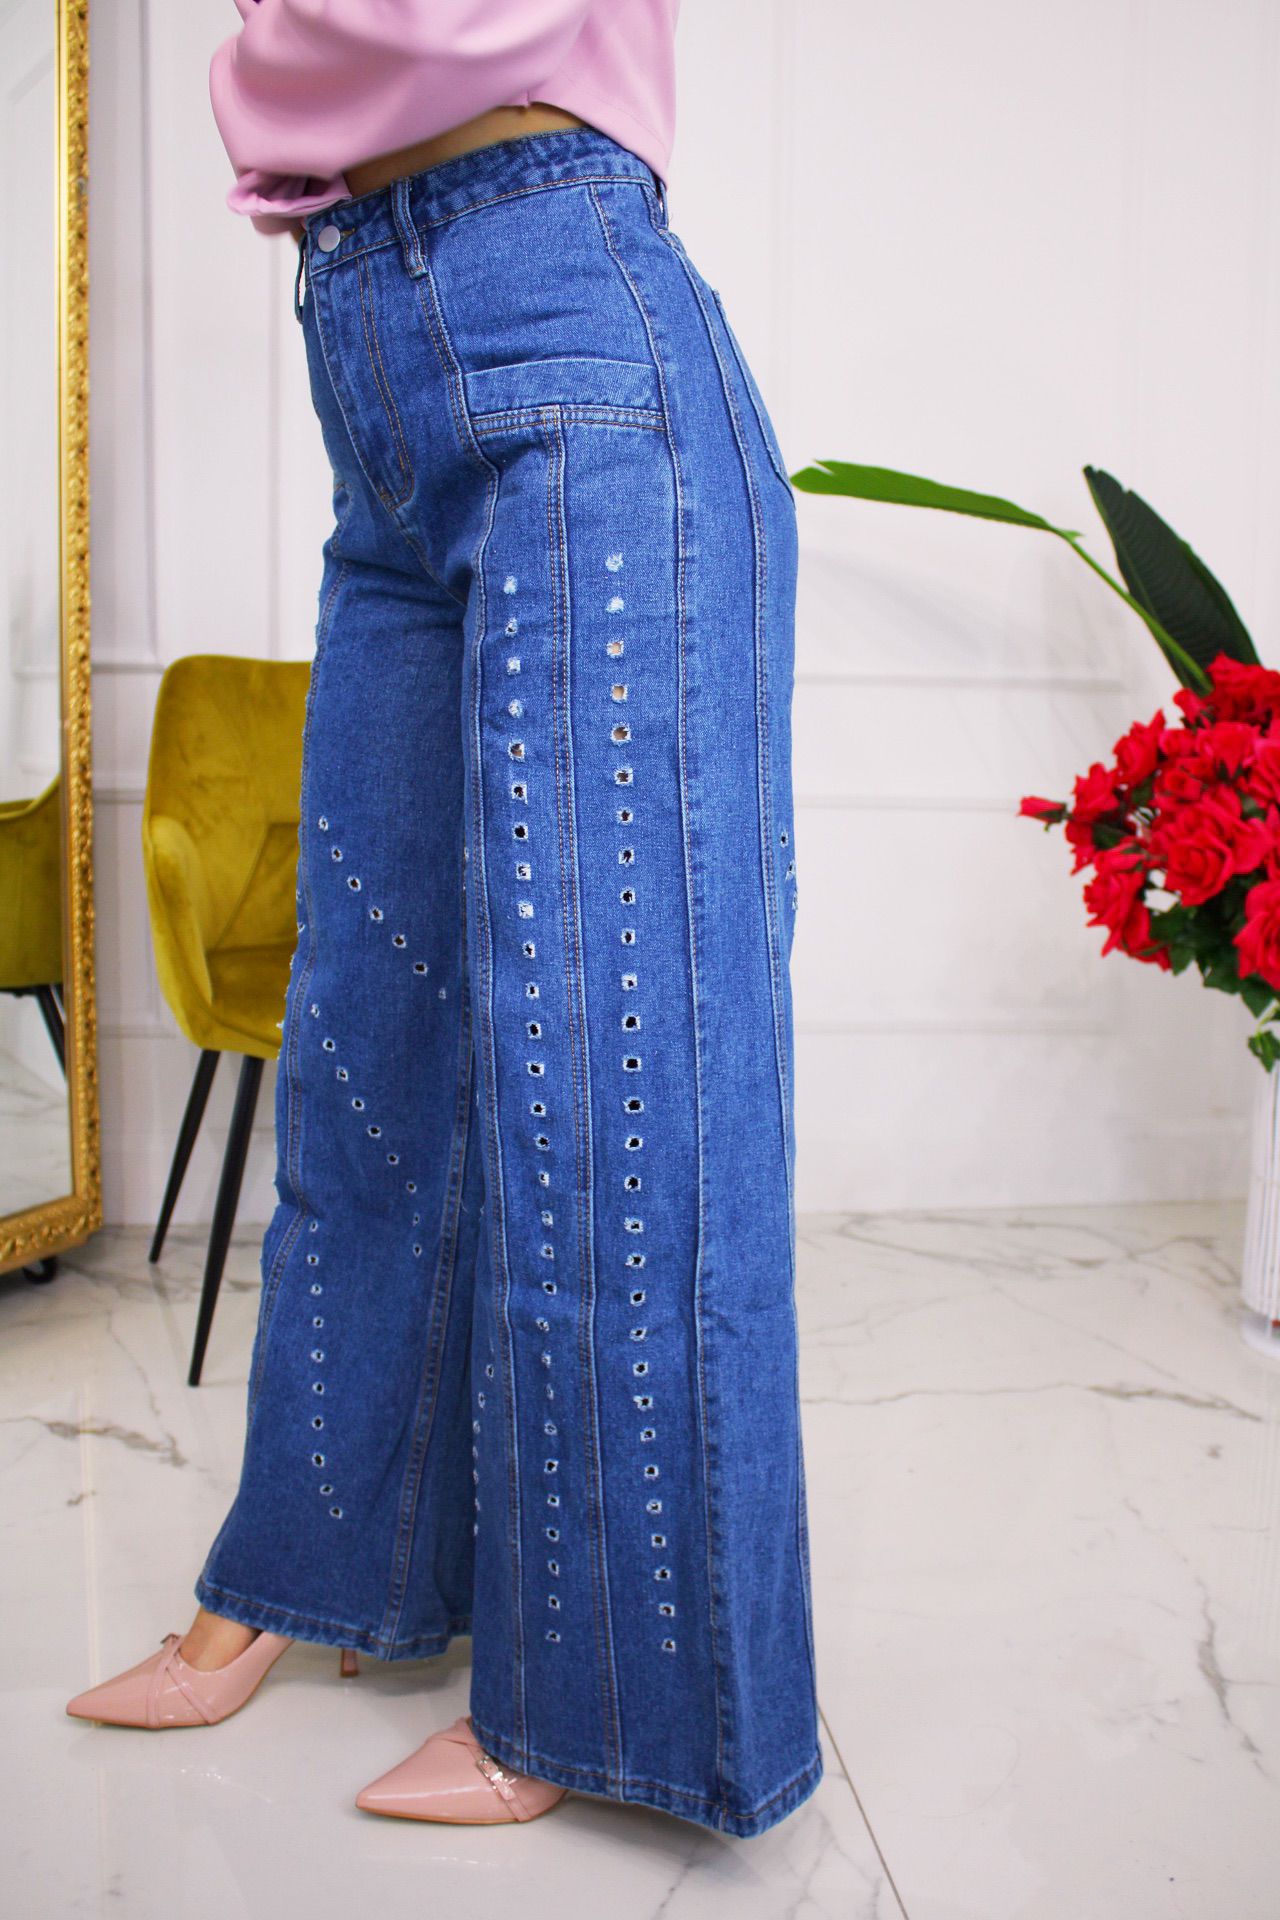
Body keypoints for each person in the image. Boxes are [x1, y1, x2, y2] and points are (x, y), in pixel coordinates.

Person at [67, 0, 820, 1838]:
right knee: (368, 1044)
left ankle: (591, 1697)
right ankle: (317, 1569)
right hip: (374, 359)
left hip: (565, 320)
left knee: (606, 1072)